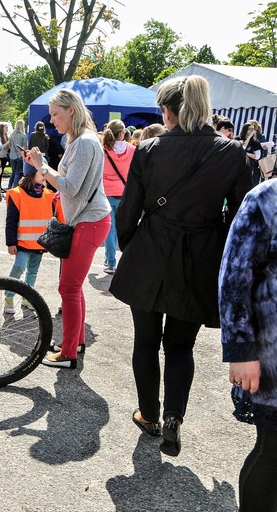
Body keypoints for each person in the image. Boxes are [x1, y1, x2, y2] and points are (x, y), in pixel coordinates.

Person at [108, 75, 251, 456]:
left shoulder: (150, 148)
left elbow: (129, 210)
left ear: (168, 111)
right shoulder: (233, 153)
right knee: (180, 346)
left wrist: (131, 248)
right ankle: (173, 417)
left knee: (145, 340)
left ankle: (150, 414)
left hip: (151, 252)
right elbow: (241, 219)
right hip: (201, 256)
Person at [23, 88, 112, 369]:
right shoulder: (79, 140)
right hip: (85, 219)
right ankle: (76, 342)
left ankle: (68, 353)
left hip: (89, 220)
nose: (51, 120)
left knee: (69, 288)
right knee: (74, 287)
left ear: (70, 110)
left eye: (55, 114)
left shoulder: (84, 142)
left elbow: (70, 186)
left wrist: (43, 167)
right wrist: (45, 168)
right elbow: (69, 183)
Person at [218, 180, 277, 512]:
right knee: (273, 451)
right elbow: (233, 277)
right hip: (272, 352)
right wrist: (241, 349)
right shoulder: (266, 199)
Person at [4, 160, 58, 309]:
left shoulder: (48, 195)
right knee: (19, 267)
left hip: (39, 243)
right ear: (31, 173)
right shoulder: (17, 194)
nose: (45, 174)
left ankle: (27, 299)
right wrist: (11, 242)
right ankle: (9, 296)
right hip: (21, 243)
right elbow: (11, 221)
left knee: (33, 272)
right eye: (42, 171)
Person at [101, 119, 134, 275]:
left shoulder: (103, 151)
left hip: (106, 193)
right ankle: (127, 262)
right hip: (125, 193)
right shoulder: (132, 149)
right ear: (123, 133)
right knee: (125, 228)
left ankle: (111, 262)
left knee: (110, 229)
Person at [240, 122, 264, 188]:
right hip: (238, 167)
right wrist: (249, 137)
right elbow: (243, 148)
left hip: (250, 168)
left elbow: (257, 156)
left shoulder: (255, 142)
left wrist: (246, 153)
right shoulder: (238, 139)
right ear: (245, 130)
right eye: (250, 129)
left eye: (253, 129)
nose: (252, 131)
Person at [8, 120, 27, 189]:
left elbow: (9, 146)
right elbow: (24, 147)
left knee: (13, 172)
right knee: (17, 172)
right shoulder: (23, 135)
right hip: (19, 156)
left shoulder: (11, 134)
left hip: (12, 155)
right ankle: (15, 187)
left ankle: (9, 187)